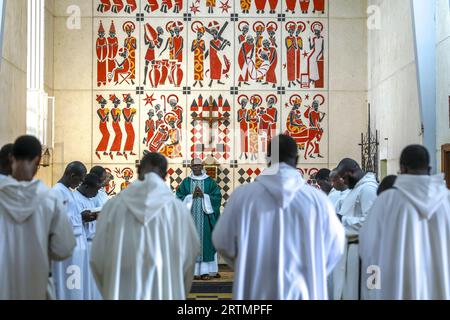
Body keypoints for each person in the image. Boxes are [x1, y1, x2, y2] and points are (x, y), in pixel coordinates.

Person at [213, 135, 345, 300]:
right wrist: (314, 266)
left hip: (256, 288)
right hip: (302, 289)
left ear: (267, 158)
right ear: (296, 159)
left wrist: (246, 264)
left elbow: (221, 241)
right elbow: (336, 245)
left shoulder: (243, 196)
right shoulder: (317, 200)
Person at [91, 153, 200, 300]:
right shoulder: (177, 209)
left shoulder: (113, 206)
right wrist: (178, 288)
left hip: (123, 289)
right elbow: (189, 256)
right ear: (165, 175)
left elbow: (97, 257)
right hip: (164, 288)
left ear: (138, 169)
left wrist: (111, 289)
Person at [360, 145, 450, 299]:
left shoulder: (386, 201)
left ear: (403, 168)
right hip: (440, 286)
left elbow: (368, 249)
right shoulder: (447, 201)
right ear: (429, 168)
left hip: (394, 288)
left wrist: (372, 288)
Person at [0, 135, 75, 299]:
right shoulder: (50, 199)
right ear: (38, 160)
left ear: (12, 158)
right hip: (36, 284)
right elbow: (64, 249)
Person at [332, 159, 378, 300]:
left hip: (360, 252)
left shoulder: (368, 189)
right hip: (350, 250)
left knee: (359, 292)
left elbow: (371, 222)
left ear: (351, 172)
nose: (344, 182)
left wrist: (342, 220)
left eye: (344, 177)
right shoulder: (357, 188)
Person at [176, 158, 222, 281]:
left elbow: (217, 197)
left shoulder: (209, 182)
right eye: (194, 166)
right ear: (190, 167)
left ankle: (206, 272)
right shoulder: (186, 182)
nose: (196, 168)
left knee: (206, 244)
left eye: (198, 166)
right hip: (190, 220)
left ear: (202, 166)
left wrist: (205, 196)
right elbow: (178, 197)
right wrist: (190, 197)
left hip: (205, 220)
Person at [52, 162, 89, 300]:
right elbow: (57, 220)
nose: (80, 184)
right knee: (70, 286)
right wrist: (81, 216)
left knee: (76, 286)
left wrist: (82, 216)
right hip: (68, 248)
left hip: (77, 246)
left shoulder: (67, 191)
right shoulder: (57, 191)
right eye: (80, 179)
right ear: (72, 175)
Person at [73, 173, 104, 300]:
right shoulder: (74, 198)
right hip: (82, 243)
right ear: (86, 186)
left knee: (93, 281)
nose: (96, 193)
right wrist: (82, 218)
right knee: (85, 279)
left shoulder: (90, 198)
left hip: (93, 243)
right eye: (95, 190)